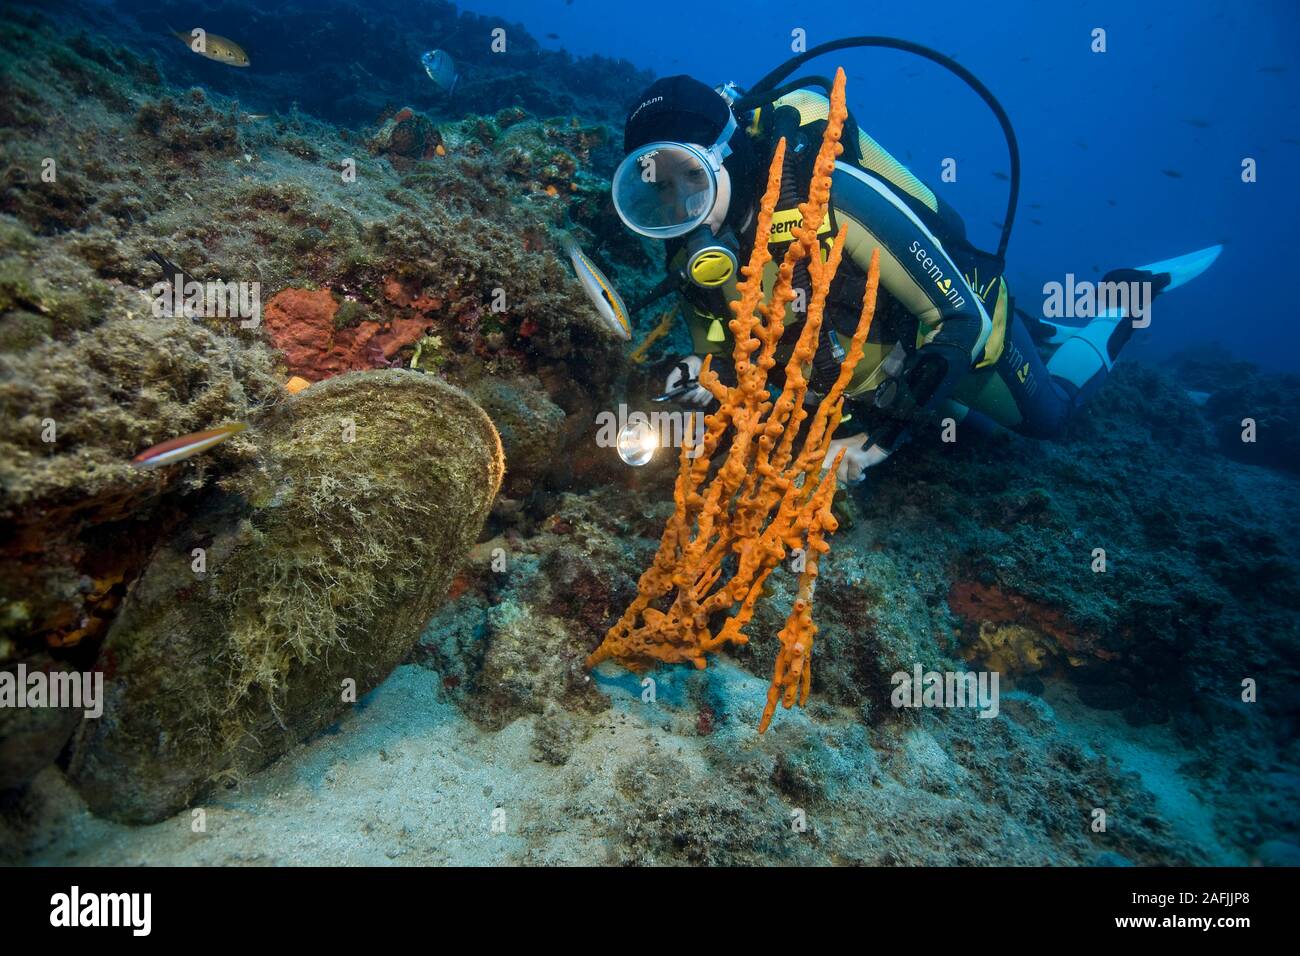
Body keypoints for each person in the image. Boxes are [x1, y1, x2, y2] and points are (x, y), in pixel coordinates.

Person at [612, 74, 1219, 483]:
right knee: (962, 422)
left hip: (968, 328)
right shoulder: (688, 251)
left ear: (727, 155)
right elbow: (731, 349)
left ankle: (1122, 297)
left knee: (1050, 422)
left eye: (688, 179)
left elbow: (960, 319)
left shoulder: (832, 198)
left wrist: (884, 433)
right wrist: (703, 373)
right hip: (874, 358)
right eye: (655, 194)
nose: (677, 214)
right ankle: (1044, 330)